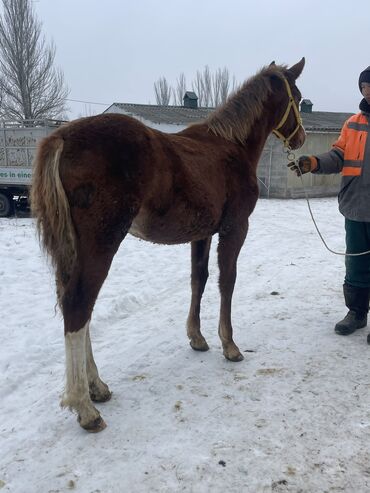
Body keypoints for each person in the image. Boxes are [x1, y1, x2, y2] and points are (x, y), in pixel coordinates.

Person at [288, 66, 370, 340]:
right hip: (356, 207)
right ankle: (356, 313)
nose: (368, 91)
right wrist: (314, 163)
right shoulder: (352, 124)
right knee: (355, 264)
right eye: (364, 86)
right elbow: (339, 155)